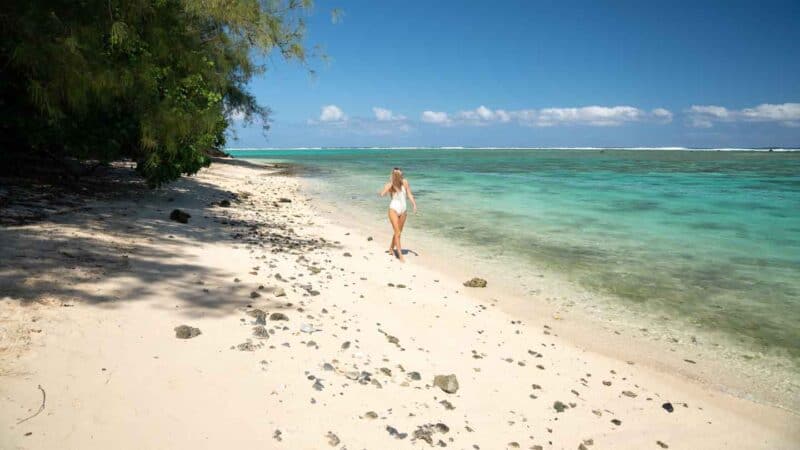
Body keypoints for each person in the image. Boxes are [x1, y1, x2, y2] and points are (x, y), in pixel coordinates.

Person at [379, 167, 417, 262]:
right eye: (396, 174)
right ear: (393, 175)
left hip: (403, 210)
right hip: (393, 210)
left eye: (400, 173)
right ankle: (399, 254)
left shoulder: (405, 182)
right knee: (398, 232)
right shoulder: (390, 185)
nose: (399, 175)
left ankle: (391, 248)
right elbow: (382, 194)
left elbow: (409, 194)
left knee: (398, 232)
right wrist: (389, 185)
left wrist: (414, 204)